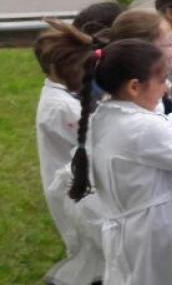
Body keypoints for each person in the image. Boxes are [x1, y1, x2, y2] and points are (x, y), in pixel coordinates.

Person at [68, 39, 172, 285]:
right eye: (161, 80)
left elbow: (161, 133)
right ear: (134, 87)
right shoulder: (141, 128)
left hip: (128, 229)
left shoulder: (105, 115)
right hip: (156, 233)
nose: (166, 88)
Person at [33, 20, 106, 285]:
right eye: (81, 68)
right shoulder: (62, 108)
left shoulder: (63, 97)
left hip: (79, 184)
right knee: (90, 251)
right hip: (74, 190)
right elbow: (99, 138)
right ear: (59, 68)